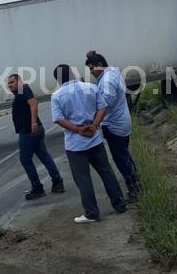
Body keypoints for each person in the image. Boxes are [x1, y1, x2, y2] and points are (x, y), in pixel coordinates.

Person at [50, 64, 126, 223]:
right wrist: (94, 125)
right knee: (107, 172)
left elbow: (59, 119)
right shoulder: (90, 87)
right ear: (72, 73)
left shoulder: (57, 95)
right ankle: (120, 205)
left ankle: (92, 213)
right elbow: (103, 107)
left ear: (57, 79)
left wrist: (77, 130)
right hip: (95, 139)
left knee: (83, 179)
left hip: (75, 145)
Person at [85, 50, 141, 200]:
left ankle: (135, 188)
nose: (90, 72)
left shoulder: (108, 79)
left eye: (91, 68)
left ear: (100, 65)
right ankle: (136, 182)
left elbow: (105, 103)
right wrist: (90, 56)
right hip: (121, 121)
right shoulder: (111, 73)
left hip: (114, 125)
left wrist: (94, 123)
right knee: (124, 155)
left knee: (120, 158)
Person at [7, 74, 64, 200]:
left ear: (19, 82)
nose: (10, 84)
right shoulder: (19, 93)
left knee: (25, 159)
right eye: (9, 83)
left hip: (29, 131)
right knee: (44, 155)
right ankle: (57, 182)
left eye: (12, 82)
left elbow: (33, 103)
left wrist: (33, 123)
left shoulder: (23, 89)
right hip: (32, 130)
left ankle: (37, 188)